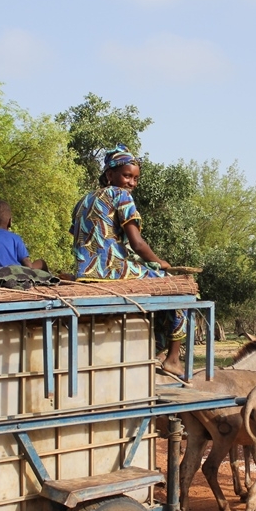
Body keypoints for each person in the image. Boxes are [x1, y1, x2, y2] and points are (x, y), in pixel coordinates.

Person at [70, 144, 186, 378]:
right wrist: (159, 262)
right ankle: (172, 358)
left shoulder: (83, 200)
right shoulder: (120, 196)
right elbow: (137, 244)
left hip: (84, 272)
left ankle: (151, 351)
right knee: (177, 290)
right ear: (109, 174)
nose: (131, 183)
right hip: (112, 270)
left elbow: (86, 238)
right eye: (126, 176)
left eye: (135, 178)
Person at [0, 200, 49, 271]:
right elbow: (27, 264)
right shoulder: (15, 238)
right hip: (14, 274)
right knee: (41, 263)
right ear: (10, 222)